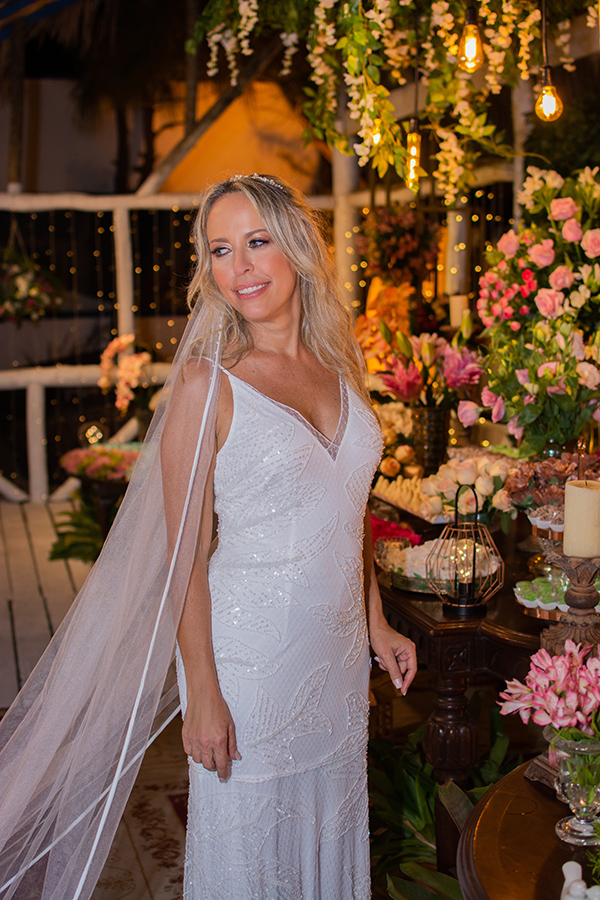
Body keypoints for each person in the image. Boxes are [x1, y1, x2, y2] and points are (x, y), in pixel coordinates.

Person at [0, 174, 416, 900]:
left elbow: (346, 513)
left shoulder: (341, 371)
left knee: (327, 838)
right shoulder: (207, 385)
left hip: (340, 670)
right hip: (251, 670)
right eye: (220, 250)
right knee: (253, 862)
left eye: (256, 243)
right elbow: (182, 559)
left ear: (296, 248)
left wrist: (377, 623)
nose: (239, 268)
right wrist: (203, 693)